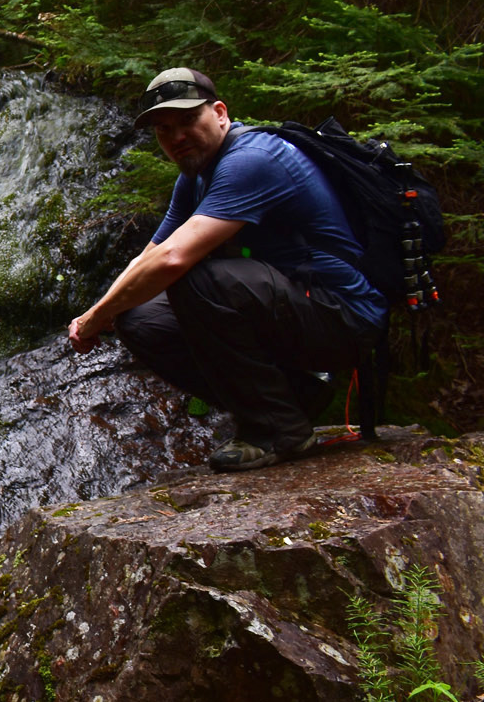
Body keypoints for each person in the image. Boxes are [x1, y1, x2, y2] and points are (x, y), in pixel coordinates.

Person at [67, 68, 387, 471]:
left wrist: (98, 316)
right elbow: (150, 255)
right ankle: (292, 402)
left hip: (345, 315)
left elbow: (172, 260)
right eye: (164, 129)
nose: (177, 136)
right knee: (138, 316)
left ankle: (278, 430)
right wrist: (99, 312)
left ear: (220, 113)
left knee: (197, 281)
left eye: (188, 120)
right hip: (295, 311)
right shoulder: (196, 175)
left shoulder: (253, 160)